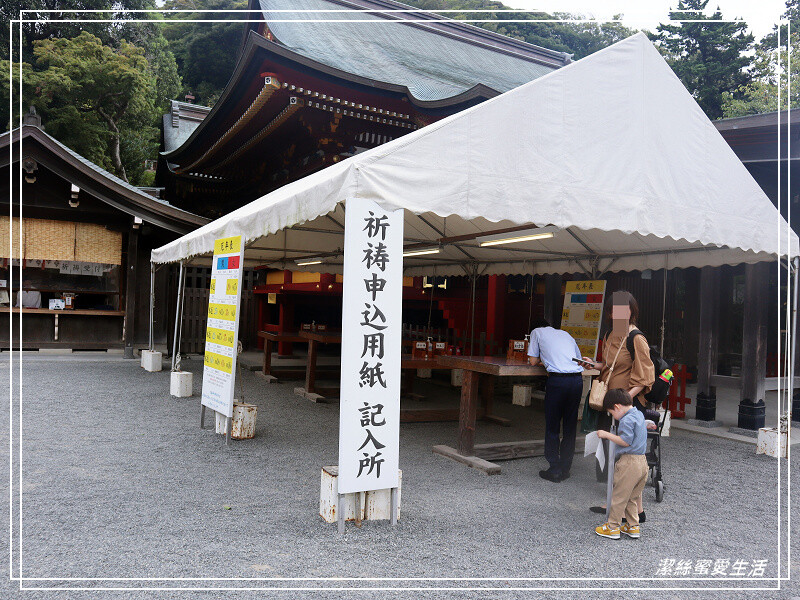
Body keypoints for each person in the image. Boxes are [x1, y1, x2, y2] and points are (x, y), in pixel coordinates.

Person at [584, 290, 654, 520]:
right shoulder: (611, 334)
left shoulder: (636, 338)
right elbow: (609, 366)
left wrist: (624, 404)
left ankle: (619, 509)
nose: (618, 313)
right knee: (615, 455)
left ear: (631, 311)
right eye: (614, 309)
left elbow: (645, 378)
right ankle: (636, 511)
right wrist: (593, 364)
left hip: (628, 408)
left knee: (627, 459)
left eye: (623, 309)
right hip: (612, 405)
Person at [527, 318, 584, 483]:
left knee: (552, 425)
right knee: (570, 426)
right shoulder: (565, 334)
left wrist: (543, 359)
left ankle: (554, 469)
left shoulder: (536, 332)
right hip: (576, 381)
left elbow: (532, 360)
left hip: (558, 381)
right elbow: (578, 359)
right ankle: (566, 468)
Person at [594, 388, 649, 540]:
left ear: (617, 407)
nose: (614, 417)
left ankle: (612, 527)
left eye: (612, 413)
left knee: (618, 497)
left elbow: (625, 441)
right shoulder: (638, 414)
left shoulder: (626, 420)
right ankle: (633, 526)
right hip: (642, 462)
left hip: (629, 462)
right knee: (632, 497)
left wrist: (607, 435)